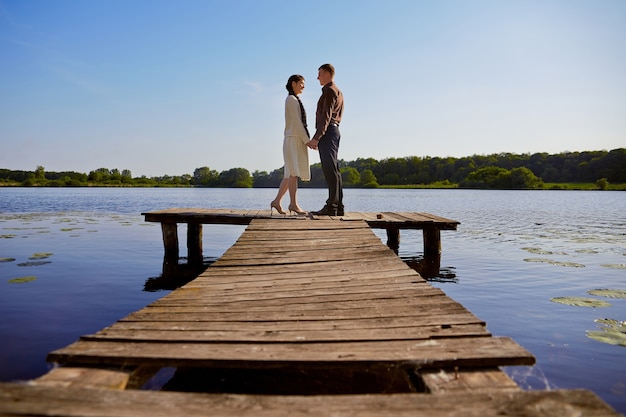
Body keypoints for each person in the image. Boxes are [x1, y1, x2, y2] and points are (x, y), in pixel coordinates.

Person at [270, 74, 311, 215]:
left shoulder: (294, 100)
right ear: (293, 83)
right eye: (301, 83)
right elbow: (298, 123)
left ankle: (276, 202)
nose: (303, 86)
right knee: (293, 173)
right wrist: (308, 140)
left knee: (289, 174)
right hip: (293, 138)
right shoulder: (291, 100)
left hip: (295, 138)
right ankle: (293, 204)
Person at [307, 63, 344, 216]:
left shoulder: (329, 91)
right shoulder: (337, 91)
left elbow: (326, 116)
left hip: (328, 132)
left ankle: (331, 207)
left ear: (328, 73)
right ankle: (338, 207)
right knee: (334, 170)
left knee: (330, 170)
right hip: (333, 131)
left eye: (320, 74)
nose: (317, 77)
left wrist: (317, 137)